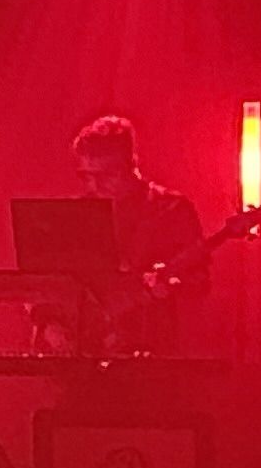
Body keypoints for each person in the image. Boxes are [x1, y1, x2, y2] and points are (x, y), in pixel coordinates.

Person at [70, 112, 209, 352]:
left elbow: (200, 281)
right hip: (88, 349)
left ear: (131, 163)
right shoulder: (80, 212)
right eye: (87, 175)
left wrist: (170, 285)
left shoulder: (171, 208)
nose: (96, 185)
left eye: (106, 175)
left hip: (151, 346)